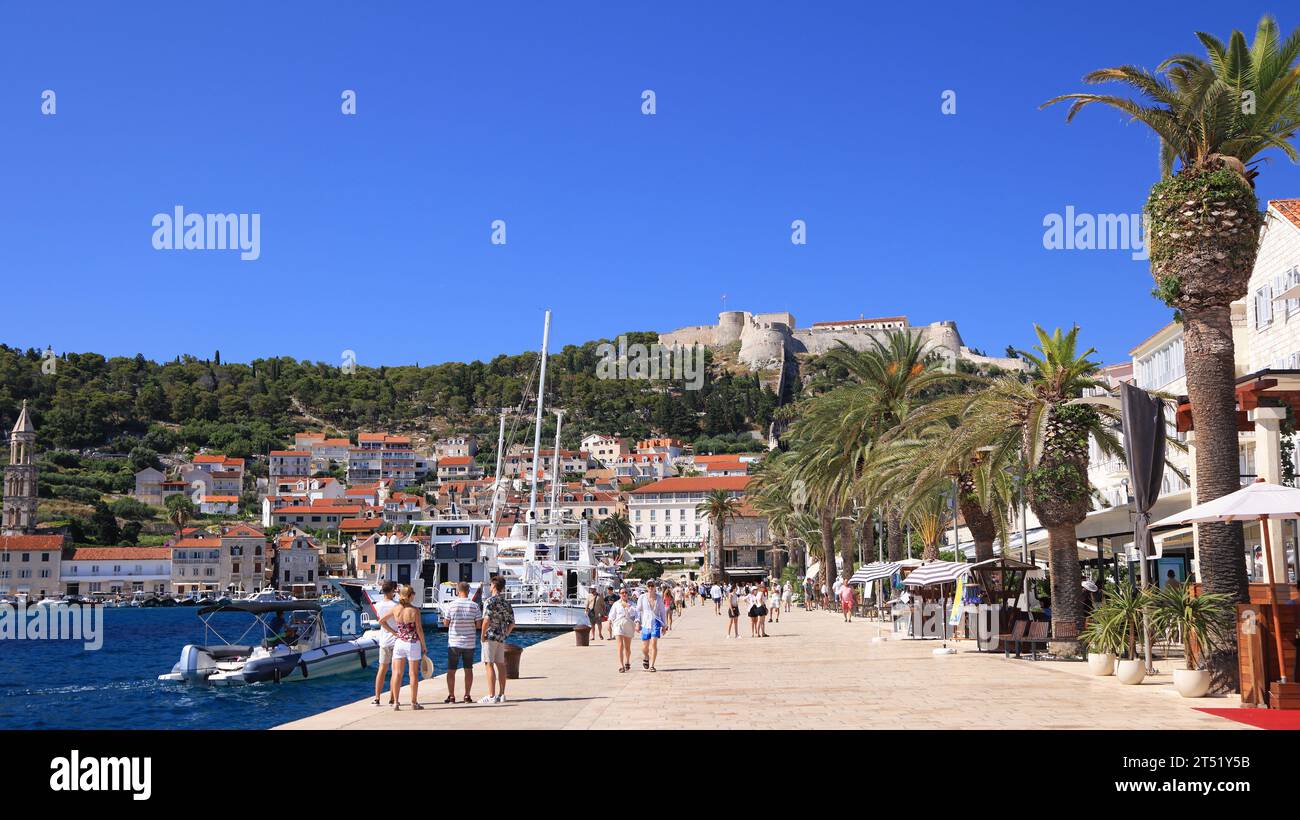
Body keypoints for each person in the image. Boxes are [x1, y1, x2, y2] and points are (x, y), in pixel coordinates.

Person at [442, 581, 482, 703]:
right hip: (469, 643)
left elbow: (446, 623)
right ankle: (467, 695)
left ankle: (452, 696)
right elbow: (479, 625)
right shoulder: (474, 606)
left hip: (454, 643)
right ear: (468, 591)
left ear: (457, 591)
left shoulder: (451, 605)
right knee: (468, 669)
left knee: (451, 670)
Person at [389, 584, 427, 711]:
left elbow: (381, 620)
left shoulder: (396, 609)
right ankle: (413, 702)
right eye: (413, 593)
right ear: (410, 596)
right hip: (412, 643)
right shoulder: (415, 610)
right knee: (413, 674)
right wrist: (424, 645)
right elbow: (419, 629)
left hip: (399, 642)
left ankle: (396, 703)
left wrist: (394, 632)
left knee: (397, 673)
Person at [479, 576, 515, 704]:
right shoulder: (506, 603)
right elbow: (512, 623)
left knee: (489, 664)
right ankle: (502, 694)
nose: (489, 587)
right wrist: (505, 634)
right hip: (501, 637)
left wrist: (482, 634)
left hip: (490, 636)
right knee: (500, 665)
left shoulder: (490, 601)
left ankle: (491, 695)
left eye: (490, 585)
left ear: (494, 586)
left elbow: (487, 620)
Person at [372, 580, 399, 705]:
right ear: (393, 590)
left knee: (381, 669)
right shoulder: (396, 605)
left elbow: (380, 621)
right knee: (395, 670)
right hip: (395, 640)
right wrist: (394, 632)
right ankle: (392, 698)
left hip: (383, 641)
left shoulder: (378, 605)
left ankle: (377, 698)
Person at [638, 580, 668, 672]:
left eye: (652, 586)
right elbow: (638, 610)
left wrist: (664, 625)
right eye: (649, 586)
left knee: (654, 643)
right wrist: (637, 622)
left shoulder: (659, 598)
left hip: (655, 621)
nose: (650, 588)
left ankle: (652, 665)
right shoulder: (642, 597)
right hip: (645, 622)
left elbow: (662, 611)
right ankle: (646, 656)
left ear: (655, 587)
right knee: (645, 646)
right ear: (647, 587)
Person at [609, 586, 640, 672]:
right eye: (622, 593)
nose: (624, 594)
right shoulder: (616, 604)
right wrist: (609, 623)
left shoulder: (632, 604)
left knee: (627, 647)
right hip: (618, 625)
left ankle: (627, 661)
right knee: (620, 646)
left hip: (628, 625)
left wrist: (628, 606)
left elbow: (636, 613)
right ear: (620, 594)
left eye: (625, 592)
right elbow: (611, 616)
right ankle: (621, 665)